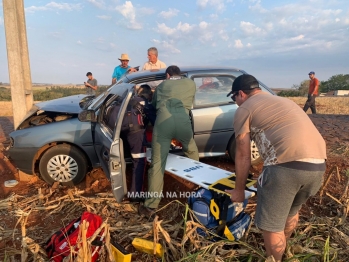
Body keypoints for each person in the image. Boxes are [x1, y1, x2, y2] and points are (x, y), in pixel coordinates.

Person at [225, 74, 326, 261]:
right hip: (318, 165)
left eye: (234, 98)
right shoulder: (283, 101)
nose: (236, 103)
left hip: (286, 168)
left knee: (271, 226)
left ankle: (275, 257)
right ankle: (283, 248)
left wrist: (239, 190)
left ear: (241, 93)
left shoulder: (244, 109)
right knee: (290, 212)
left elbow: (243, 154)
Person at [139, 65, 199, 217]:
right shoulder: (191, 83)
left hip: (164, 122)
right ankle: (200, 192)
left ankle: (150, 206)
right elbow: (191, 101)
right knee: (192, 151)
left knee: (158, 163)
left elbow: (153, 105)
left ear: (167, 75)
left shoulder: (163, 85)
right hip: (184, 121)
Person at [105, 93, 149, 202]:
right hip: (136, 133)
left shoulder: (114, 103)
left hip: (118, 132)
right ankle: (136, 195)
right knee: (139, 161)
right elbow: (153, 118)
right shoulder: (143, 102)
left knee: (122, 158)